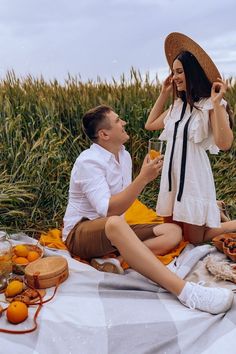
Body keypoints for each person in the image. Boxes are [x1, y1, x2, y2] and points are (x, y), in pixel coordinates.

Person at [62, 104, 234, 314]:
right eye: (117, 121)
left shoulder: (123, 155)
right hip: (80, 234)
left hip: (111, 233)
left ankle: (117, 260)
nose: (123, 122)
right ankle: (187, 293)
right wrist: (143, 179)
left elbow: (123, 200)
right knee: (116, 222)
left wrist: (144, 176)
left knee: (172, 231)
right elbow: (108, 211)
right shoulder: (89, 162)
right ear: (104, 134)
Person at [145, 32, 236, 244]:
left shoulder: (210, 105)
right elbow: (150, 125)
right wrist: (164, 93)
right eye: (173, 72)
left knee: (195, 240)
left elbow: (225, 144)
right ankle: (215, 207)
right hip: (172, 177)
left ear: (192, 73)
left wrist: (216, 102)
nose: (175, 76)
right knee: (175, 235)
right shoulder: (178, 106)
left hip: (194, 177)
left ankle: (218, 213)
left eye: (180, 72)